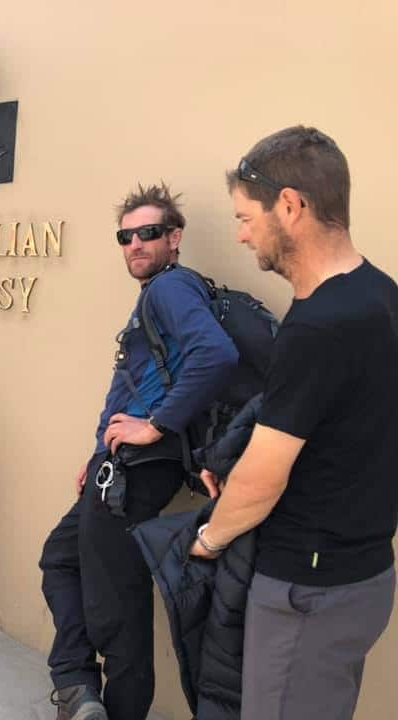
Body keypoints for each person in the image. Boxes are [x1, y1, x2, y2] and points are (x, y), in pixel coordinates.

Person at [190, 126, 398, 720]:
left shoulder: (320, 326)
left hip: (311, 590)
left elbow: (262, 480)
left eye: (245, 215)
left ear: (290, 205)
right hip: (360, 577)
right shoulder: (382, 296)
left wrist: (209, 538)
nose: (240, 233)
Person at [38, 183, 239, 720]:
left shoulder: (169, 290)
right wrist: (99, 449)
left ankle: (96, 700)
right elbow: (139, 384)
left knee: (118, 608)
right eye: (125, 236)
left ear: (175, 238)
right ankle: (79, 689)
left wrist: (154, 426)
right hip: (117, 466)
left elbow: (216, 355)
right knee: (61, 558)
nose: (135, 244)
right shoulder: (161, 294)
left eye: (148, 233)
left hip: (136, 471)